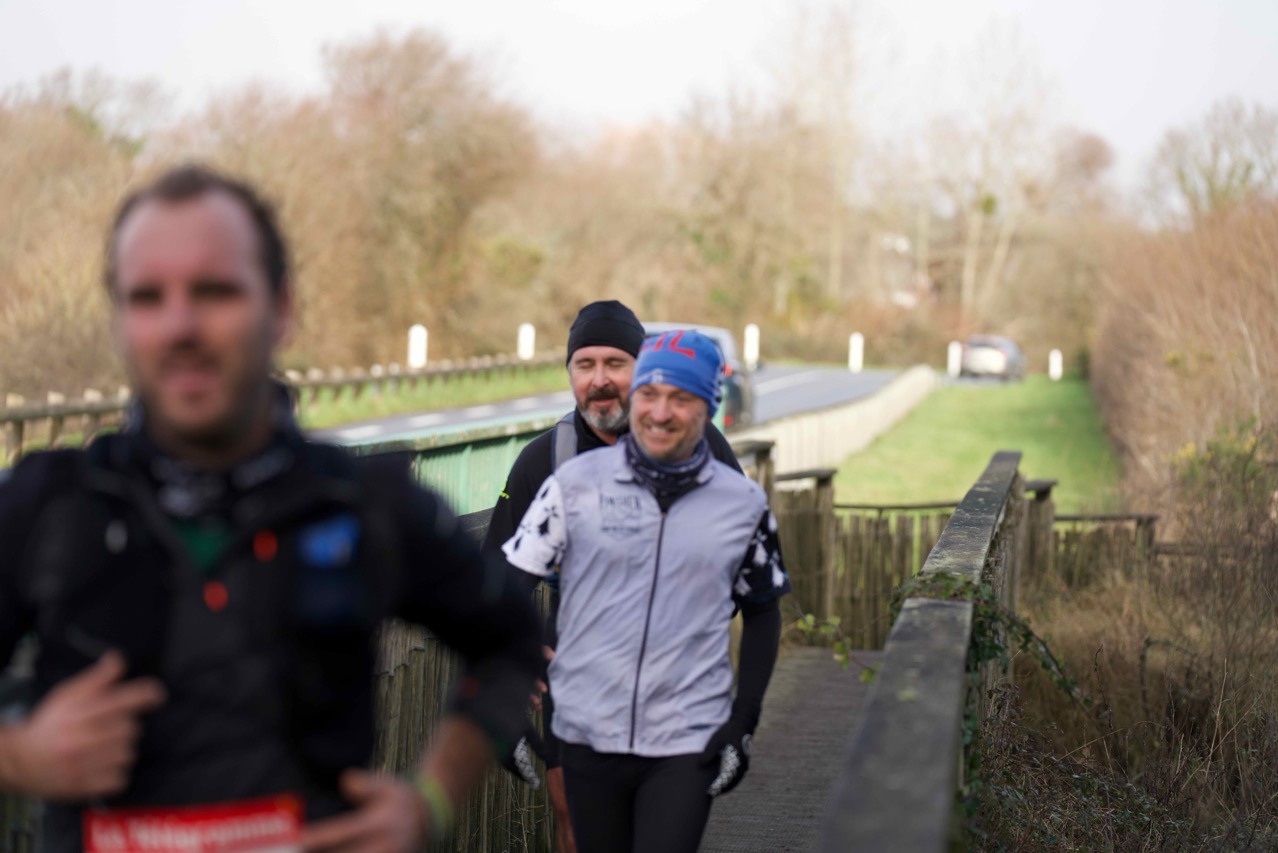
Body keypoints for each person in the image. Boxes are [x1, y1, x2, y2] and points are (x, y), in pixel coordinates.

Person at [0, 165, 543, 852]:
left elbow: (511, 642)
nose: (181, 325)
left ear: (281, 308)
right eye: (146, 297)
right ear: (117, 319)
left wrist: (429, 802)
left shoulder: (361, 503)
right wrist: (20, 755)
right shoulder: (49, 505)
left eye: (216, 291)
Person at [501, 329, 790, 853]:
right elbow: (500, 594)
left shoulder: (742, 504)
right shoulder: (574, 486)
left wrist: (744, 718)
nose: (660, 412)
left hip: (689, 735)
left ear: (709, 406)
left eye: (681, 398)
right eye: (649, 394)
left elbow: (763, 610)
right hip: (586, 730)